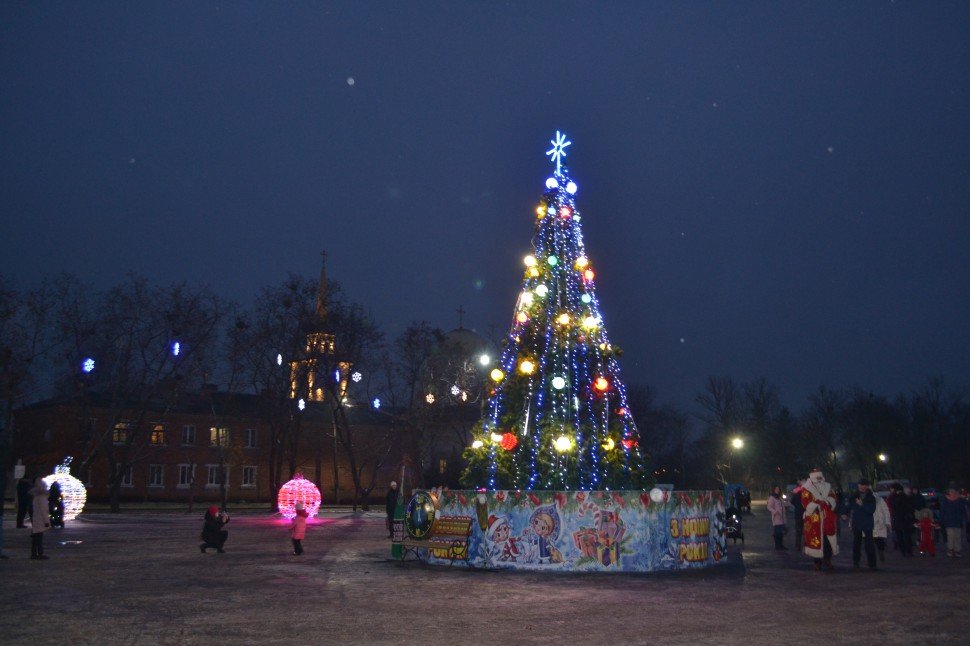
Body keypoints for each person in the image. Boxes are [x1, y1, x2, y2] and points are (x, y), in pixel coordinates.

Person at [801, 468, 839, 571]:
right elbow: (805, 502)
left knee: (828, 540)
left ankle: (827, 559)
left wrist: (827, 503)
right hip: (814, 519)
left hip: (826, 517)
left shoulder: (827, 486)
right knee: (815, 540)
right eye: (817, 477)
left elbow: (832, 497)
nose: (819, 479)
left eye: (820, 477)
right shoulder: (806, 488)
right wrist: (816, 505)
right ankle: (817, 562)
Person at [843, 479, 877, 570]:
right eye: (861, 485)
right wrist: (845, 513)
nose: (863, 487)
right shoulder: (853, 496)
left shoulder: (871, 497)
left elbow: (871, 510)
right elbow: (848, 506)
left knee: (869, 544)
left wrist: (862, 505)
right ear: (858, 485)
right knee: (856, 543)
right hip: (857, 522)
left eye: (864, 485)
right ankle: (856, 562)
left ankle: (872, 564)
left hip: (867, 523)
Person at [939, 487, 967, 558]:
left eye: (953, 492)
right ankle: (950, 549)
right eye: (951, 492)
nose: (952, 493)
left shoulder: (959, 500)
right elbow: (942, 511)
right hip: (949, 521)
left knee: (957, 536)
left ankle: (957, 550)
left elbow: (963, 509)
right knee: (950, 536)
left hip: (957, 521)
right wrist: (941, 520)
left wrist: (964, 518)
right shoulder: (945, 501)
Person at [29, 478, 51, 560]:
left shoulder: (36, 496)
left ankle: (34, 553)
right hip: (40, 520)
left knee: (36, 538)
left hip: (36, 519)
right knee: (39, 537)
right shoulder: (42, 497)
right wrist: (46, 522)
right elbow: (43, 510)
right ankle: (39, 554)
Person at [891, 485, 915, 557]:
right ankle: (907, 551)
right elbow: (909, 507)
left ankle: (904, 551)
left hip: (900, 519)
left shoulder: (895, 497)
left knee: (902, 536)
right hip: (903, 519)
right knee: (905, 536)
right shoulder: (904, 497)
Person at [766, 485, 791, 550]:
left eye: (778, 489)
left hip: (782, 517)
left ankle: (780, 545)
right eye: (776, 489)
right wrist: (775, 512)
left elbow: (784, 505)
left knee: (781, 532)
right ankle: (777, 546)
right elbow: (769, 507)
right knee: (777, 532)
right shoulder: (772, 497)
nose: (778, 490)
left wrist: (788, 502)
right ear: (774, 489)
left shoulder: (779, 498)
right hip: (776, 517)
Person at [873, 492, 892, 563]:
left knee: (879, 540)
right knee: (873, 541)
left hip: (879, 524)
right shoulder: (865, 500)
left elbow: (886, 511)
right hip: (872, 524)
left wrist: (887, 522)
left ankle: (880, 551)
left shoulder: (880, 501)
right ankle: (875, 555)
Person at [791, 481, 805, 551]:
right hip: (805, 514)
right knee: (805, 531)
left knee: (798, 531)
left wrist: (797, 505)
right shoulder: (806, 494)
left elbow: (792, 501)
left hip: (798, 514)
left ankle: (798, 545)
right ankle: (806, 544)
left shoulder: (796, 494)